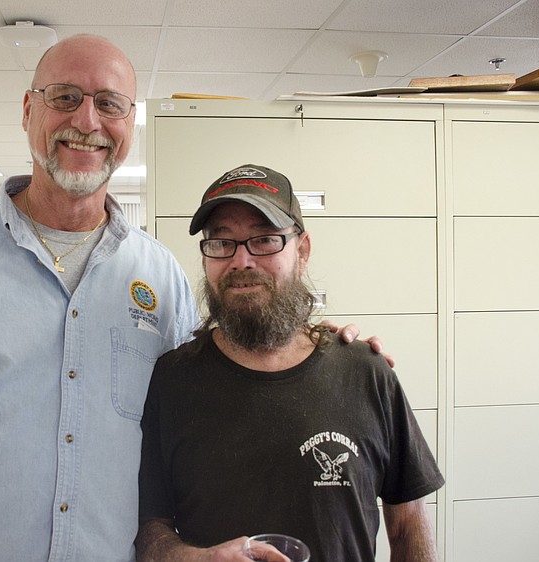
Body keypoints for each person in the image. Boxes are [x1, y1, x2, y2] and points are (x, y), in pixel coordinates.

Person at [0, 36, 384, 562]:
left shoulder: (159, 276)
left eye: (109, 104)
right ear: (27, 111)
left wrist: (316, 348)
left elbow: (223, 379)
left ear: (129, 124)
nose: (86, 121)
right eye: (65, 97)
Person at [136, 164, 444, 562]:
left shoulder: (366, 372)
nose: (241, 261)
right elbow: (148, 528)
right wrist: (192, 559)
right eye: (221, 242)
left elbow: (409, 528)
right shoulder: (171, 381)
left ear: (302, 251)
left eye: (264, 241)